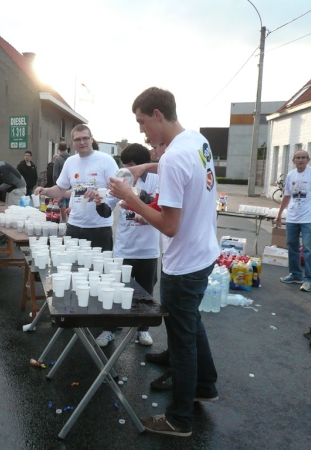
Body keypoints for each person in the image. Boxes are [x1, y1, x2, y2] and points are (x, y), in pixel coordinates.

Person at [108, 87, 219, 437]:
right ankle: (205, 386)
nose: (142, 131)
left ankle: (179, 419)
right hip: (203, 252)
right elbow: (182, 171)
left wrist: (130, 198)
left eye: (142, 122)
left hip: (183, 263)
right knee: (192, 323)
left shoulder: (173, 158)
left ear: (157, 115)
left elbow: (169, 226)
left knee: (182, 340)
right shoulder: (196, 141)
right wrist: (146, 165)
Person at [93, 143, 160, 348]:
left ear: (141, 165)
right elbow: (107, 210)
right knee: (115, 292)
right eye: (124, 165)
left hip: (148, 250)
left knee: (146, 294)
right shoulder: (121, 180)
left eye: (131, 165)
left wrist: (138, 197)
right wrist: (99, 204)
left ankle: (142, 330)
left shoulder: (157, 179)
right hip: (124, 248)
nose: (126, 169)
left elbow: (159, 204)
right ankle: (110, 329)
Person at [34, 125, 118, 251]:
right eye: (77, 139)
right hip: (74, 225)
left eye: (85, 138)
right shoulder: (70, 162)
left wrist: (98, 193)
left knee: (99, 263)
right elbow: (60, 189)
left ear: (91, 139)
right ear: (72, 142)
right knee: (72, 262)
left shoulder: (106, 160)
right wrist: (45, 191)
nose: (82, 142)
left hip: (99, 226)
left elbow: (118, 190)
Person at [276, 150, 311, 292]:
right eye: (298, 158)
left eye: (303, 158)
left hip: (310, 219)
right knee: (292, 247)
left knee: (309, 250)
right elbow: (287, 196)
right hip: (292, 218)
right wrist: (279, 214)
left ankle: (309, 280)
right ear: (293, 160)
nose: (300, 160)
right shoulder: (290, 175)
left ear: (308, 160)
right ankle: (295, 274)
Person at [53, 141, 70, 220]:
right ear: (66, 148)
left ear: (58, 148)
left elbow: (55, 174)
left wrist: (56, 184)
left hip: (61, 184)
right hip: (70, 184)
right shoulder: (70, 159)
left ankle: (64, 220)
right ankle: (71, 219)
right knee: (69, 203)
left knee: (62, 202)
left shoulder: (58, 159)